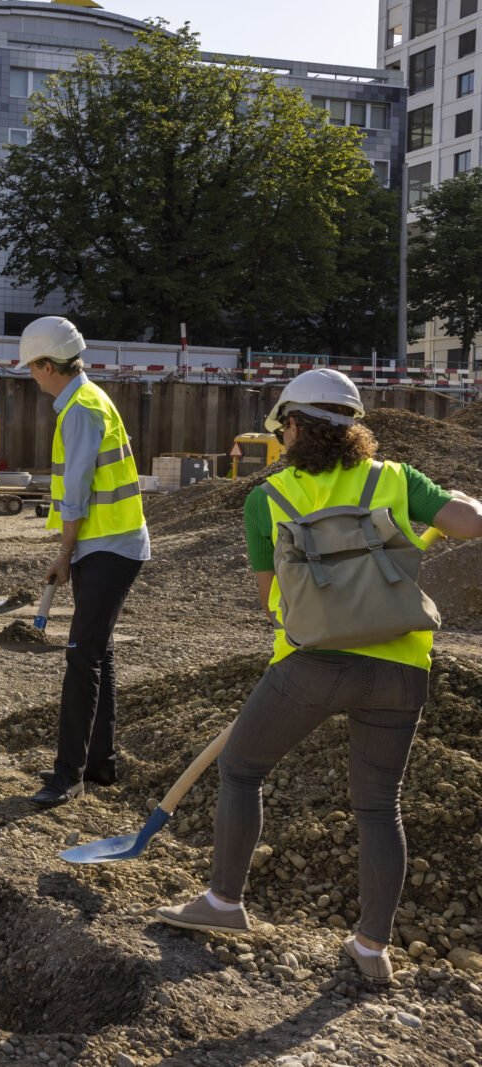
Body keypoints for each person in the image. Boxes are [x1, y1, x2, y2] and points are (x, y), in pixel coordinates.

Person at [154, 368, 482, 984]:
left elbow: (270, 601)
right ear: (353, 428)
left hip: (311, 666)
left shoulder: (267, 498)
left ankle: (224, 902)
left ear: (296, 426)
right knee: (380, 806)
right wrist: (462, 503)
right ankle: (371, 948)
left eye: (282, 428)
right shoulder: (395, 479)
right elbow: (470, 523)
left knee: (242, 768)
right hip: (401, 667)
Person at [18, 316, 150, 807]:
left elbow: (74, 496)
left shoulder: (79, 409)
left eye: (32, 367)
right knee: (99, 650)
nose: (31, 376)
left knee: (82, 656)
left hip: (109, 546)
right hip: (110, 544)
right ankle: (99, 764)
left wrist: (63, 554)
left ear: (48, 365)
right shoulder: (88, 400)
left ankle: (66, 775)